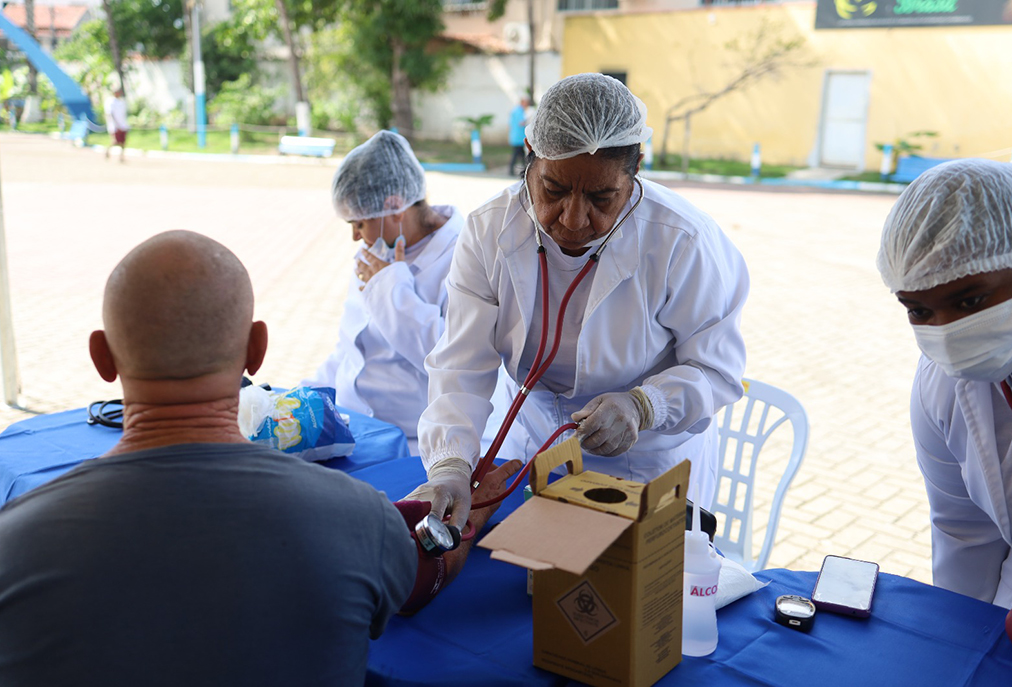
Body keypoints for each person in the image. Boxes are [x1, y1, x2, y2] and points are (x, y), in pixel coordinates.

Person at [0, 230, 418, 685]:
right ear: (256, 350)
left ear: (102, 358)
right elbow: (420, 575)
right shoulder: (362, 520)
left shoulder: (16, 541)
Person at [410, 73, 750, 531]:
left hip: (647, 462)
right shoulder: (490, 232)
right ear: (529, 156)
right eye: (552, 190)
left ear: (636, 172)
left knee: (634, 593)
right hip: (537, 446)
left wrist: (644, 405)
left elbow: (718, 371)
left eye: (601, 197)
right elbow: (460, 366)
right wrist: (450, 463)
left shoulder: (683, 242)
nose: (572, 220)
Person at [302, 130, 506, 455]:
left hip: (415, 439)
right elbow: (350, 347)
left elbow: (455, 360)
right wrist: (311, 394)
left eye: (359, 222)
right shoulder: (378, 251)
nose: (355, 236)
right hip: (354, 425)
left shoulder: (467, 256)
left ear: (395, 206)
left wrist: (393, 292)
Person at [877, 158, 1012, 609]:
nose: (947, 332)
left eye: (970, 299)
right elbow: (964, 532)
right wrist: (964, 642)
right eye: (918, 311)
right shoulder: (941, 386)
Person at [508, 96, 532, 177]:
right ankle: (513, 170)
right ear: (522, 102)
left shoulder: (516, 110)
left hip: (516, 137)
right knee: (517, 155)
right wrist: (529, 120)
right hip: (518, 137)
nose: (527, 104)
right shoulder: (519, 111)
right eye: (526, 103)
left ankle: (525, 171)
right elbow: (521, 123)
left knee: (521, 156)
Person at [104, 86, 128, 162]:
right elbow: (110, 113)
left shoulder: (122, 102)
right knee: (115, 141)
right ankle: (108, 151)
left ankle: (121, 156)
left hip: (123, 124)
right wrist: (115, 124)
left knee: (123, 142)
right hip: (114, 125)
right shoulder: (110, 102)